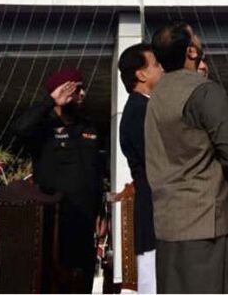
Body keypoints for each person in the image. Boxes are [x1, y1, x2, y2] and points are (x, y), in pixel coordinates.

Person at [145, 23, 228, 295]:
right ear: (191, 51)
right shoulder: (204, 92)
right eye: (194, 34)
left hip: (168, 224)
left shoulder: (156, 96)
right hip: (209, 224)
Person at [13, 66, 104, 293]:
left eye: (83, 89)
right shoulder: (43, 125)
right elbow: (20, 130)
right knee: (52, 281)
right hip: (53, 219)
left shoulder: (88, 126)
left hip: (84, 219)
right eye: (76, 89)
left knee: (82, 280)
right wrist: (49, 101)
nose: (82, 94)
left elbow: (96, 171)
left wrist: (101, 211)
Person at [118, 42, 163, 293]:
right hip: (155, 212)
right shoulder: (139, 111)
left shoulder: (149, 107)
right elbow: (158, 161)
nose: (162, 69)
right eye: (156, 64)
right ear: (141, 74)